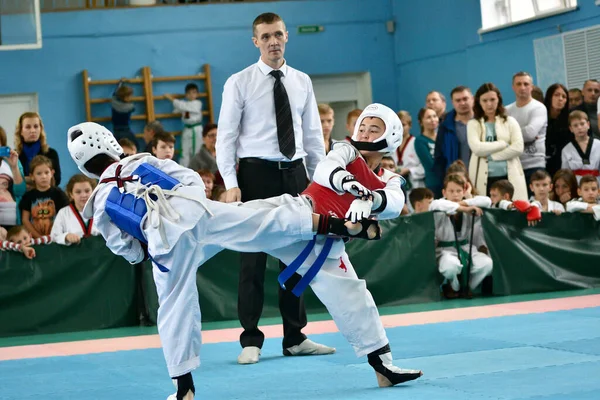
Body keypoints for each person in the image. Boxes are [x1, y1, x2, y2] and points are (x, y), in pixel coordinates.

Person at [66, 122, 380, 400]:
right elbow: (188, 178)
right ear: (110, 143)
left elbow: (125, 249)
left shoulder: (101, 201)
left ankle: (183, 387)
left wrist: (146, 251)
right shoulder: (141, 160)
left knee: (174, 309)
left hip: (163, 244)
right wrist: (197, 206)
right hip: (194, 212)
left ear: (86, 167)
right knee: (257, 219)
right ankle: (330, 224)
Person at [243, 103, 423, 387]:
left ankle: (384, 367)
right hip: (299, 217)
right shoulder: (346, 151)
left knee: (355, 298)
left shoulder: (388, 179)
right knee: (241, 222)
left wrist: (371, 200)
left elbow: (395, 203)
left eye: (374, 128)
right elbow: (324, 169)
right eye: (362, 126)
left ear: (390, 135)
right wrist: (348, 182)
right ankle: (187, 225)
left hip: (328, 246)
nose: (365, 132)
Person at [216, 12, 331, 364]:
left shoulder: (302, 81)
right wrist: (231, 184)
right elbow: (226, 138)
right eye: (265, 36)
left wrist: (322, 182)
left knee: (297, 256)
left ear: (287, 36)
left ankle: (295, 336)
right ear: (255, 41)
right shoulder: (239, 82)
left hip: (296, 175)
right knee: (252, 259)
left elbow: (313, 137)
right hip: (255, 176)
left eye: (278, 34)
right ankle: (250, 339)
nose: (273, 41)